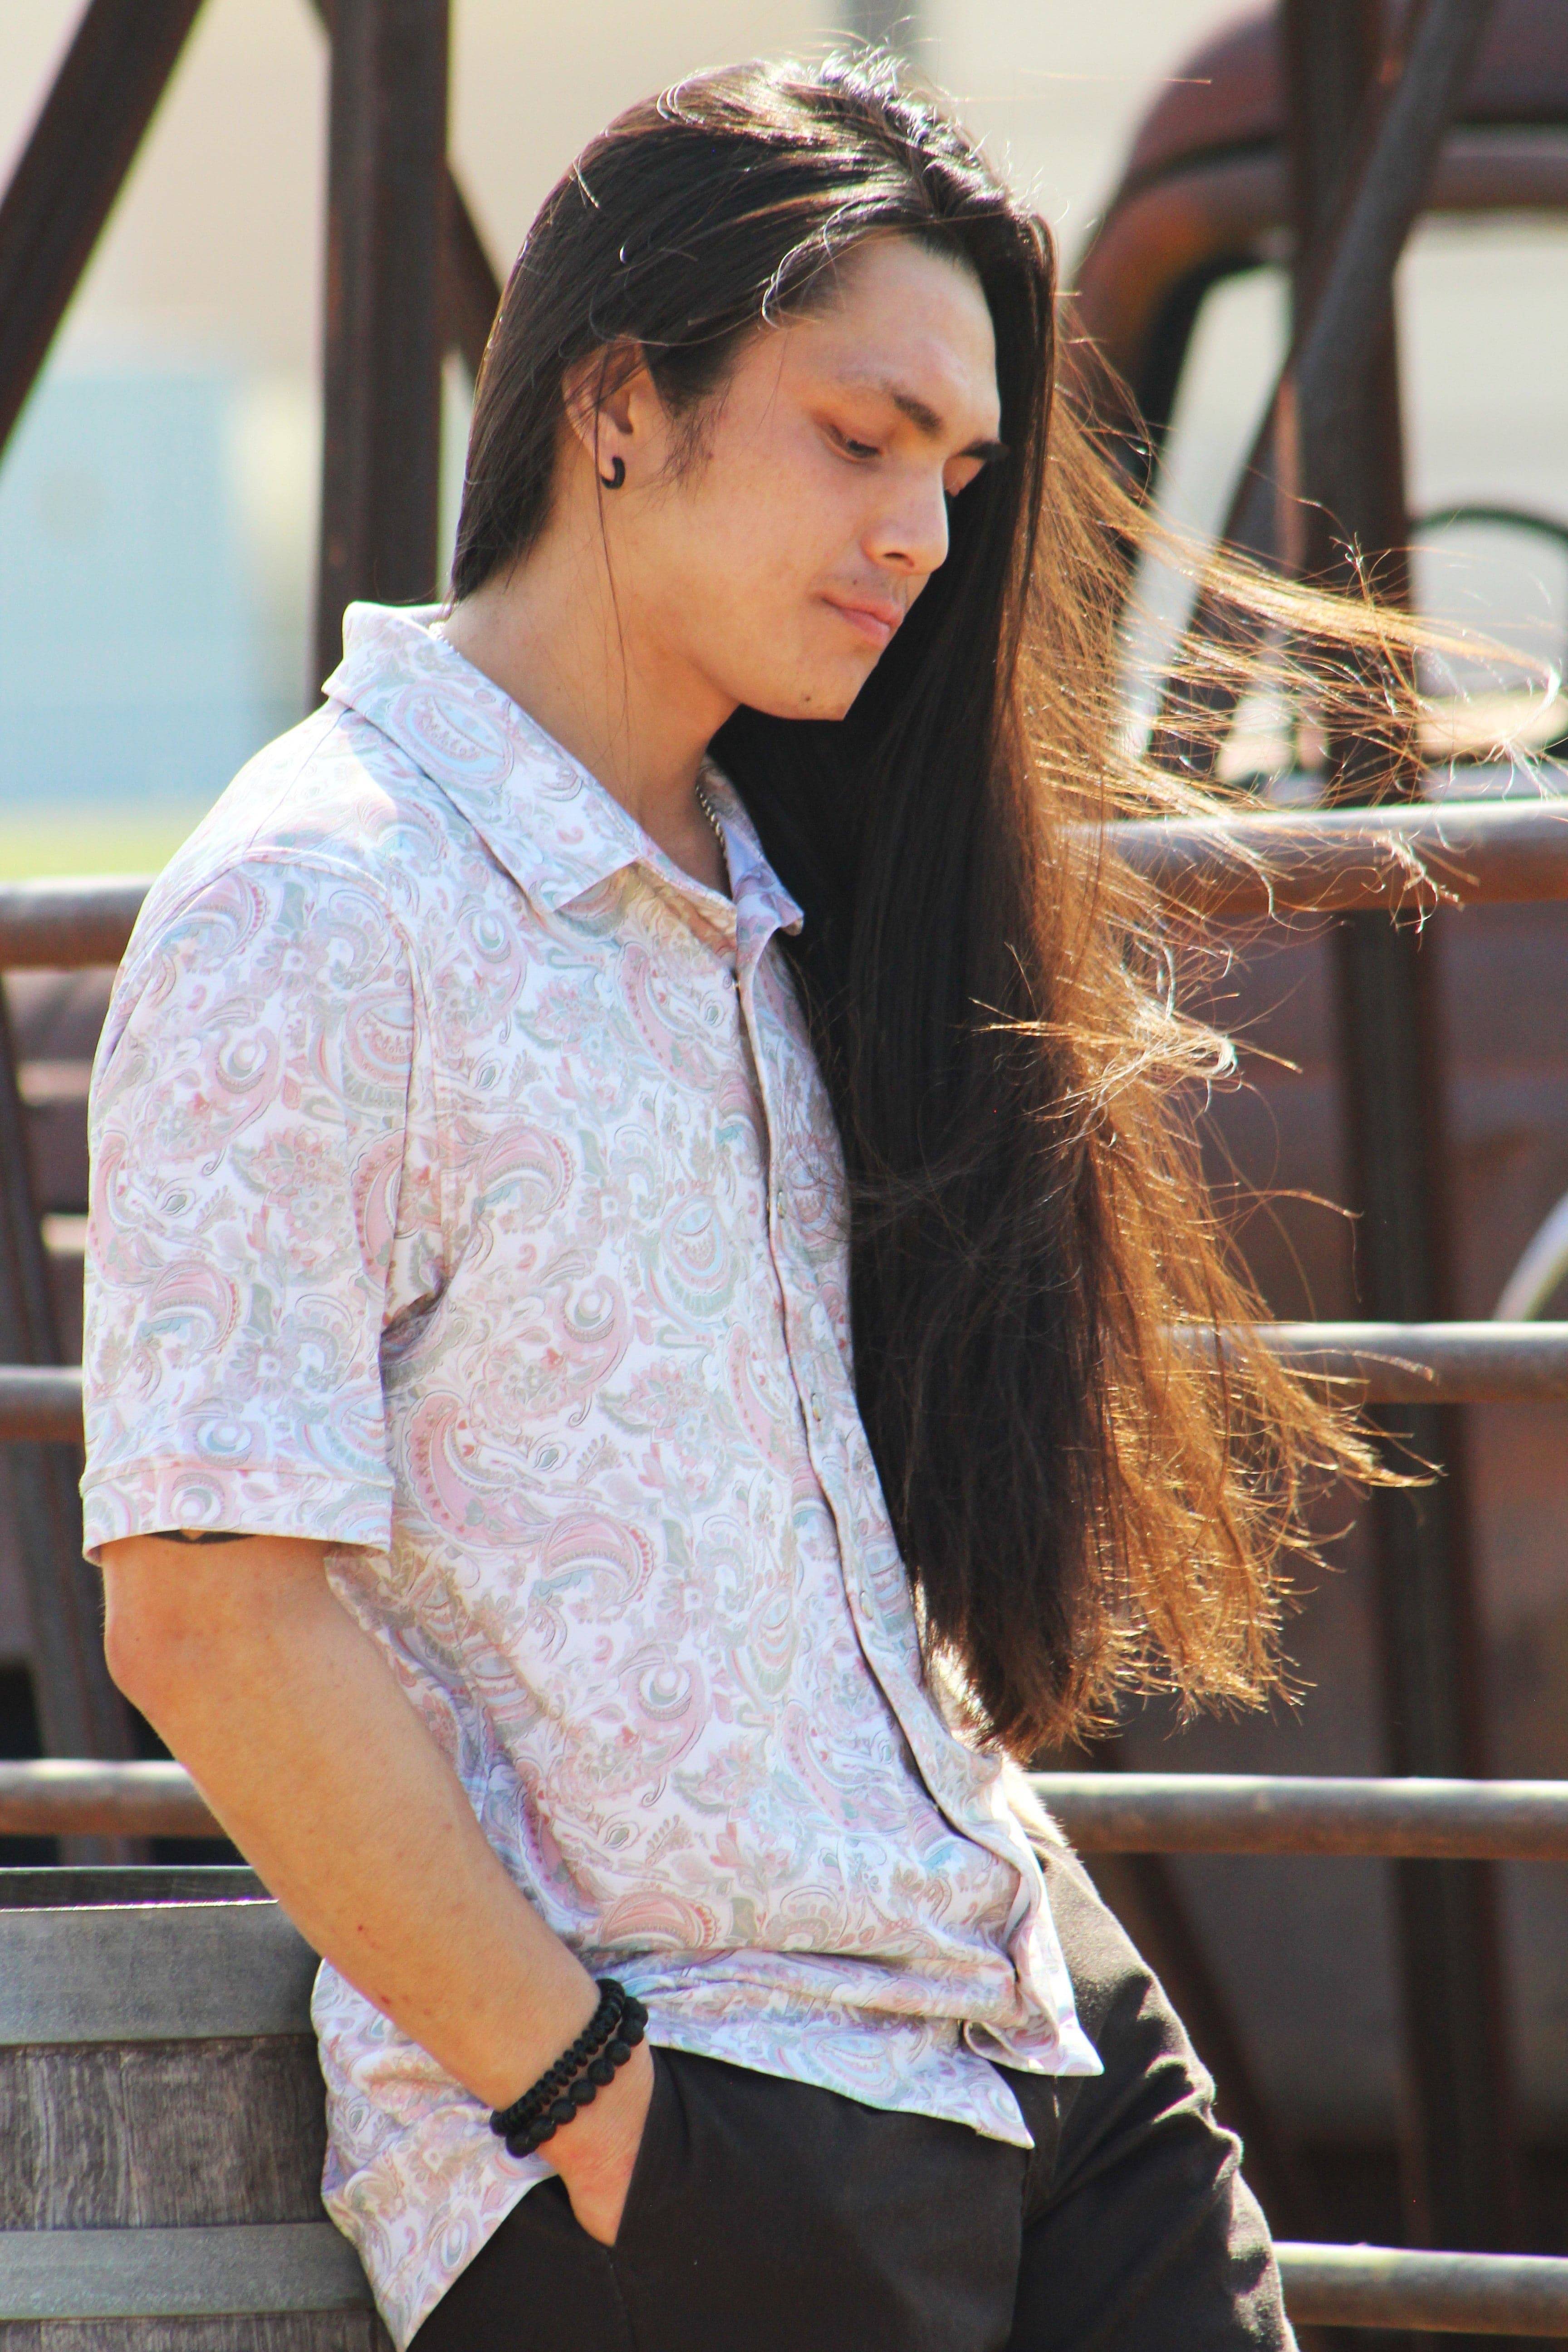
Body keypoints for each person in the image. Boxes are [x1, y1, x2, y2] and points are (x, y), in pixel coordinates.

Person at [83, 54, 1374, 2352]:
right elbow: (202, 1606)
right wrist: (596, 2107)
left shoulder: (781, 892)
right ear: (615, 403)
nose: (924, 533)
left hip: (1039, 2055)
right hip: (685, 2137)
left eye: (960, 475)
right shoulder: (323, 900)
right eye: (860, 437)